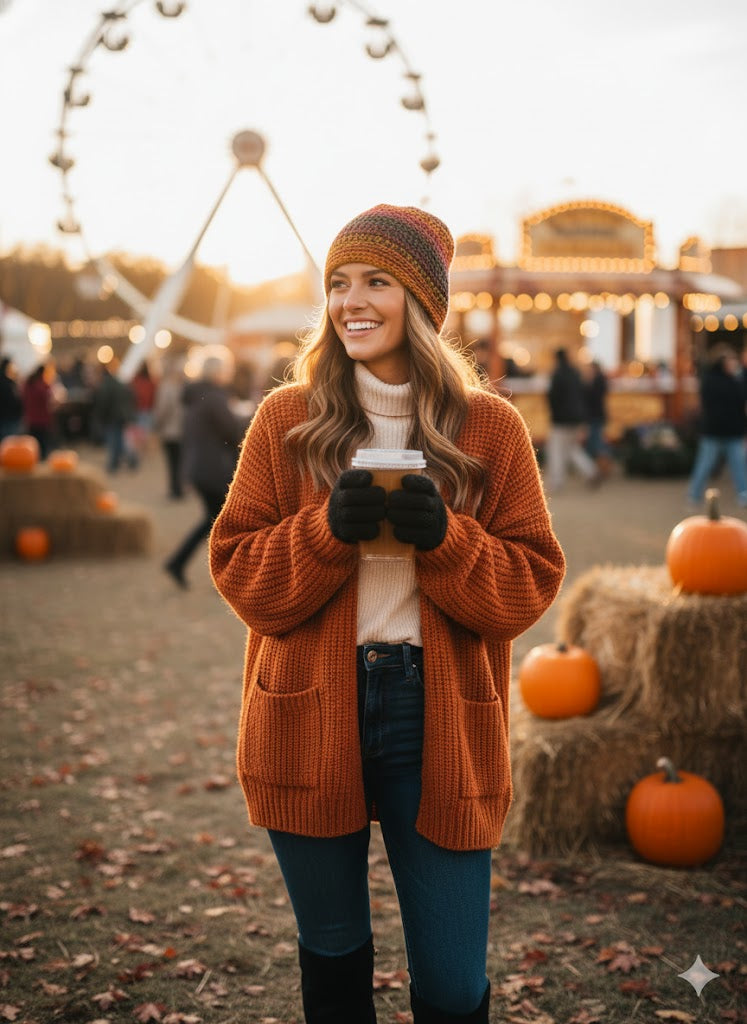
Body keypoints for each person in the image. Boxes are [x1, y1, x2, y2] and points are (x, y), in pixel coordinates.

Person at [209, 204, 566, 1023]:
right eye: (337, 283)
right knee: (334, 960)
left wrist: (446, 541)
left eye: (375, 280)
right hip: (307, 710)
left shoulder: (490, 430)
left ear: (422, 299)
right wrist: (323, 532)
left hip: (436, 719)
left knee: (450, 987)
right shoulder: (285, 421)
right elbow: (238, 573)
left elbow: (528, 586)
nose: (350, 300)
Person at [163, 354, 248, 588]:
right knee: (225, 523)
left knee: (212, 521)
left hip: (199, 468)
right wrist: (247, 416)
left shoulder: (196, 396)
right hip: (214, 470)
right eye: (226, 369)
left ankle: (178, 562)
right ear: (217, 372)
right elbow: (233, 432)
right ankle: (226, 575)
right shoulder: (214, 398)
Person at [687, 346, 747, 507]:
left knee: (739, 465)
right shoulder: (714, 381)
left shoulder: (736, 380)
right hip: (715, 430)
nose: (734, 364)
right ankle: (694, 494)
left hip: (732, 430)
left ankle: (743, 494)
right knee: (705, 463)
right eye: (730, 361)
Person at [545, 347, 600, 492]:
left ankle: (557, 482)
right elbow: (583, 395)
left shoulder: (556, 375)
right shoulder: (575, 373)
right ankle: (591, 471)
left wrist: (553, 414)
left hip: (561, 419)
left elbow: (552, 398)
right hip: (577, 417)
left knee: (556, 450)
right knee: (571, 448)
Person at [92, 359, 138, 473]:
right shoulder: (119, 383)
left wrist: (100, 416)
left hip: (112, 416)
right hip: (121, 415)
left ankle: (114, 464)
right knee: (119, 440)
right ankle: (128, 460)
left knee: (113, 440)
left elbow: (103, 402)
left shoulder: (106, 385)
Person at [152, 357, 186, 499]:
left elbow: (162, 410)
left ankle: (174, 489)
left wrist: (157, 424)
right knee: (180, 461)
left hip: (169, 431)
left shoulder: (166, 387)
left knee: (172, 462)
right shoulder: (183, 387)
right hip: (182, 431)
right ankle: (179, 488)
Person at [581, 359, 612, 475]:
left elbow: (591, 398)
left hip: (595, 416)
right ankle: (600, 467)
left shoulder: (597, 381)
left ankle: (602, 467)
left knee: (597, 442)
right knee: (596, 441)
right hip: (597, 415)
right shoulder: (600, 380)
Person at [21, 362, 56, 459]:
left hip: (31, 419)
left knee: (33, 447)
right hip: (43, 420)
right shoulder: (43, 386)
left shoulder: (27, 384)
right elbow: (51, 400)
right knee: (43, 447)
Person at [0, 356, 24, 440]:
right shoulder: (8, 383)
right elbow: (14, 399)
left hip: (5, 416)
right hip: (10, 417)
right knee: (9, 442)